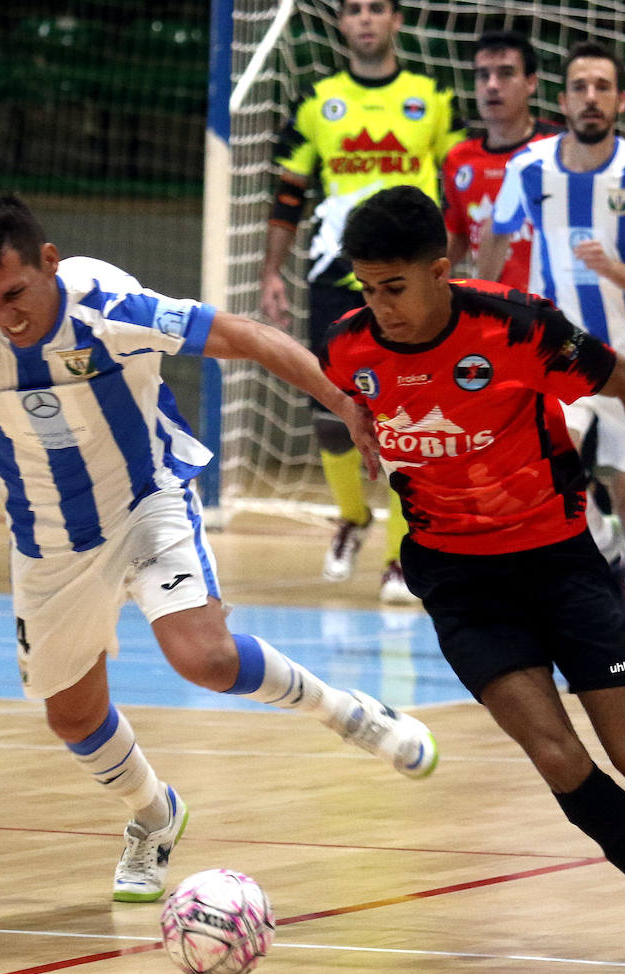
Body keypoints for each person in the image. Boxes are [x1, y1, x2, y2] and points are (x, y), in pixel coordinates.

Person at [0, 191, 438, 906]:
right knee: (73, 717)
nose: (5, 316)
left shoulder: (112, 309)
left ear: (49, 262)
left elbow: (243, 334)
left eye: (15, 294)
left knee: (205, 658)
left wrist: (341, 400)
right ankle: (156, 817)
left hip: (145, 501)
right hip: (46, 538)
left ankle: (349, 713)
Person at [322, 185, 625, 972]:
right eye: (366, 289)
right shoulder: (349, 344)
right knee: (556, 756)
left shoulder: (517, 327)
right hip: (456, 578)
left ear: (441, 271)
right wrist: (360, 423)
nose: (379, 307)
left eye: (395, 287)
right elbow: (350, 391)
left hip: (556, 560)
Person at [479, 41, 625, 678]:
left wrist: (615, 270)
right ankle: (600, 547)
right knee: (541, 470)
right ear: (563, 98)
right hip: (561, 355)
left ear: (621, 100)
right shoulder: (531, 166)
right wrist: (472, 311)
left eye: (603, 86)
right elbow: (494, 241)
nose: (590, 97)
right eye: (580, 86)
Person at [259, 0, 465, 604]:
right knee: (330, 414)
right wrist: (273, 271)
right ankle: (353, 515)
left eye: (377, 8)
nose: (366, 19)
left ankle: (403, 557)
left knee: (412, 416)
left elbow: (457, 190)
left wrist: (453, 267)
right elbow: (290, 194)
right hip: (336, 271)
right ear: (343, 24)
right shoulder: (319, 101)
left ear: (396, 20)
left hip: (414, 276)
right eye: (354, 10)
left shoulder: (433, 98)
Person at [442, 30, 560, 290]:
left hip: (559, 311)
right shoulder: (459, 159)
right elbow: (457, 235)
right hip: (496, 310)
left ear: (531, 83)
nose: (492, 85)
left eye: (506, 73)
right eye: (483, 75)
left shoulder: (560, 148)